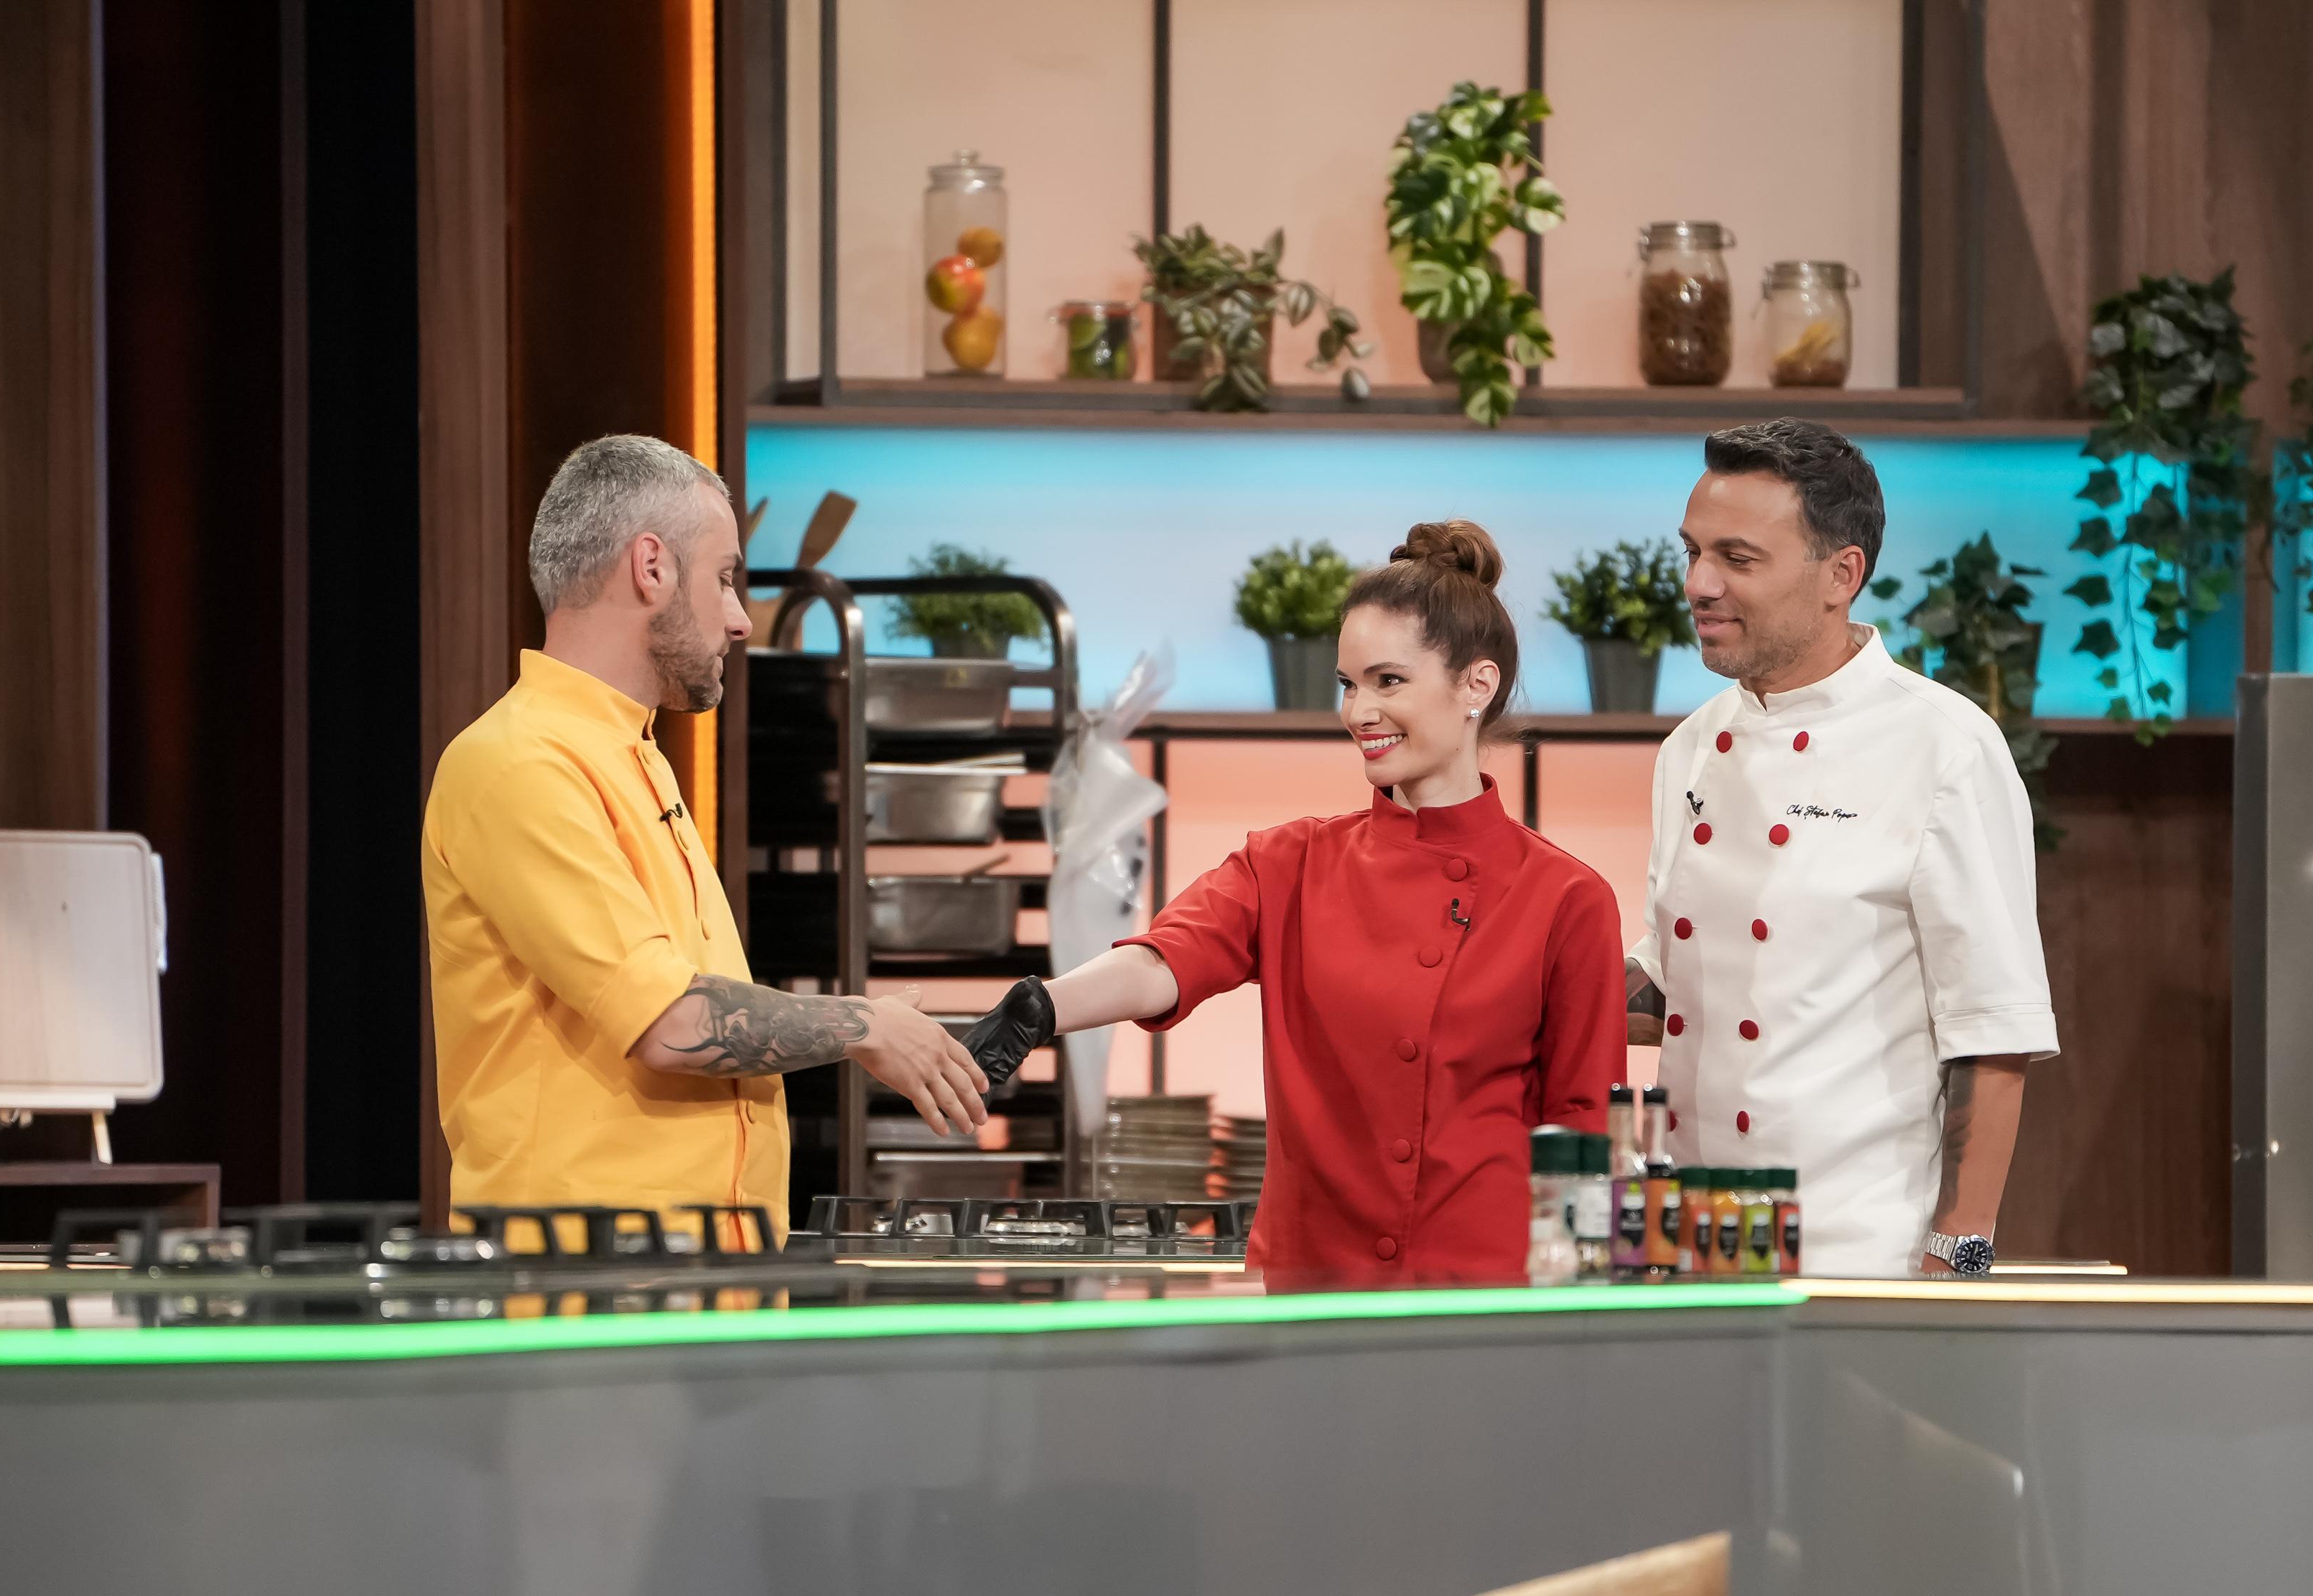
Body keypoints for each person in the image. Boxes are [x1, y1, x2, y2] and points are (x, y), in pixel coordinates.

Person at [965, 521, 1626, 1279]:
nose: (1358, 711)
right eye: (1348, 684)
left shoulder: (1567, 898)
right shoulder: (1288, 863)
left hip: (1484, 1293)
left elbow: (1584, 1132)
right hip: (1313, 1286)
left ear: (1477, 684)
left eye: (1388, 681)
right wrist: (1039, 1008)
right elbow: (1168, 958)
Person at [422, 434, 985, 1241]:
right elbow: (671, 1021)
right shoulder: (517, 763)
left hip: (700, 1280)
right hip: (589, 1289)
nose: (741, 619)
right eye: (724, 578)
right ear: (651, 566)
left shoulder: (634, 755)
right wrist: (865, 1025)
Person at [1627, 419, 2058, 1277]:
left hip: (1856, 1253)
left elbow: (1990, 1031)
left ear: (1841, 574)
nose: (1698, 583)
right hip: (1691, 1239)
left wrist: (1956, 1258)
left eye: (1736, 558)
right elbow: (1680, 979)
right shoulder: (1690, 745)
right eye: (1692, 551)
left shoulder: (1942, 746)